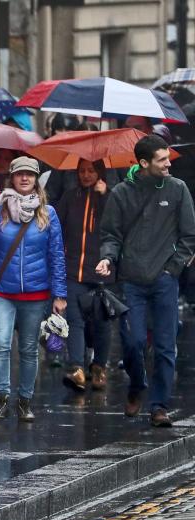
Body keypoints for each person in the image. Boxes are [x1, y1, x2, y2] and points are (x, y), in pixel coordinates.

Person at [97, 134, 195, 426]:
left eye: (168, 158)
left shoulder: (178, 189)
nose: (168, 164)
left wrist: (173, 268)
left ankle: (159, 406)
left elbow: (189, 235)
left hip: (165, 281)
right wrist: (107, 258)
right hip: (130, 281)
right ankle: (137, 386)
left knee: (166, 346)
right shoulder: (121, 194)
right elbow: (110, 235)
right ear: (143, 163)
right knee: (134, 342)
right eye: (162, 160)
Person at [0, 157, 67, 421]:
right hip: (2, 291)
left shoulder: (49, 213)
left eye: (30, 175)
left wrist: (60, 294)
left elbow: (56, 255)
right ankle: (1, 398)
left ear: (36, 180)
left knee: (29, 348)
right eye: (19, 174)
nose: (24, 178)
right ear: (11, 178)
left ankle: (25, 400)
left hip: (36, 292)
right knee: (0, 344)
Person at [56, 159, 113, 392]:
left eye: (91, 170)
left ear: (100, 172)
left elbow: (120, 226)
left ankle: (98, 366)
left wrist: (106, 195)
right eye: (82, 171)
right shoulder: (70, 197)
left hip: (102, 271)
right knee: (75, 320)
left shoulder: (112, 196)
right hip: (73, 271)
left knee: (101, 322)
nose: (86, 175)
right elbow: (57, 227)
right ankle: (77, 367)